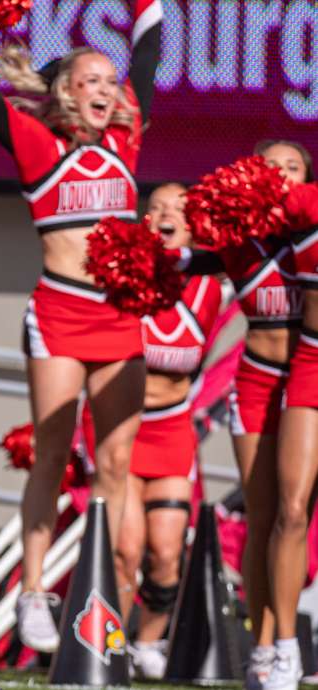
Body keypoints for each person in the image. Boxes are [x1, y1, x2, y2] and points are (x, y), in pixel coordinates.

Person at [0, 0, 162, 652]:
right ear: (67, 92)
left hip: (120, 315)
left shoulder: (127, 139)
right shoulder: (38, 145)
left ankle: (102, 601)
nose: (106, 90)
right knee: (52, 454)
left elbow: (152, 45)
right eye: (92, 81)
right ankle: (33, 592)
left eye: (112, 81)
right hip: (60, 312)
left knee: (117, 462)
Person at [175, 140, 307, 689]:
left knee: (295, 515)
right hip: (256, 382)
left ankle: (285, 641)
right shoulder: (238, 243)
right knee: (262, 513)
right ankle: (264, 643)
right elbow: (182, 252)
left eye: (294, 168)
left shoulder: (313, 236)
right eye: (272, 166)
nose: (283, 175)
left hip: (307, 377)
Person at [105, 184, 222, 679]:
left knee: (168, 553)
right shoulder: (124, 278)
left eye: (179, 210)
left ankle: (147, 643)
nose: (166, 215)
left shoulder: (208, 288)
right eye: (156, 208)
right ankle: (108, 641)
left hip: (173, 429)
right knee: (126, 548)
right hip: (124, 425)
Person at [264, 142, 317, 690]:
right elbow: (251, 197)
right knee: (292, 509)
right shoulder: (306, 204)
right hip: (312, 361)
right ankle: (284, 647)